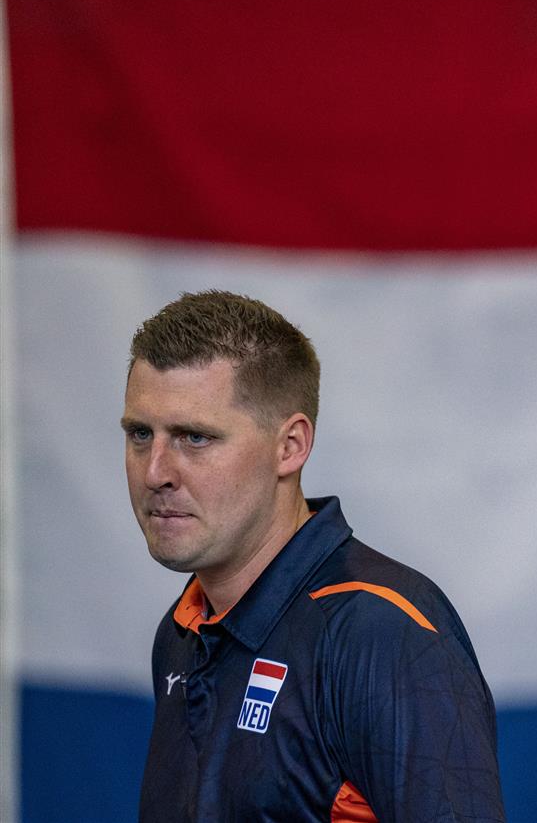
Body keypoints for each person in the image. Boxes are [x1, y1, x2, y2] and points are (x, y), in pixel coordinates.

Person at [123, 290, 505, 822]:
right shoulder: (183, 631)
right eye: (141, 434)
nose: (155, 472)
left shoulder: (382, 632)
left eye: (195, 437)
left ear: (291, 446)